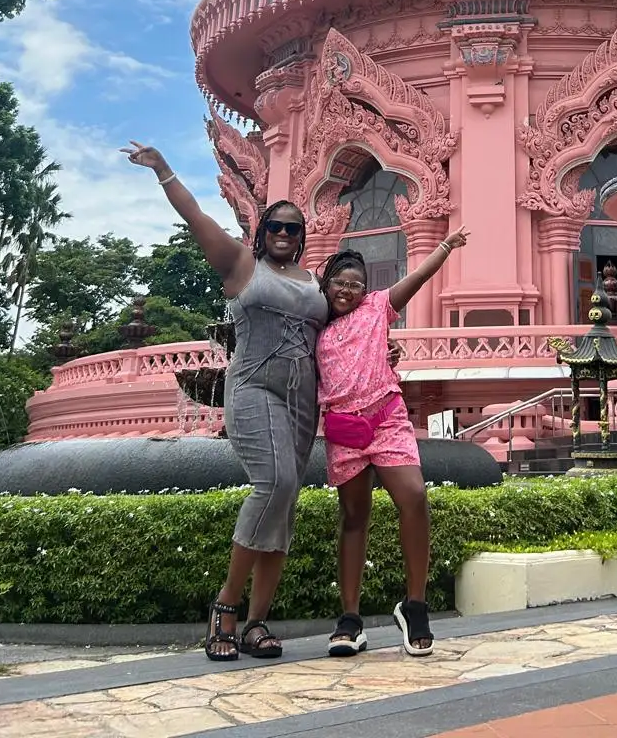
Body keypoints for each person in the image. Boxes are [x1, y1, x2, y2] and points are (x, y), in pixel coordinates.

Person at [123, 141, 326, 663]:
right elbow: (196, 217)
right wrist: (164, 168)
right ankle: (225, 607)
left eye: (293, 228)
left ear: (303, 238)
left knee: (285, 505)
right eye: (276, 226)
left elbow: (353, 317)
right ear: (262, 234)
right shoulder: (240, 264)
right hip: (254, 388)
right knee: (274, 483)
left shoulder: (313, 281)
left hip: (303, 400)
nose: (284, 234)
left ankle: (258, 621)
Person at [319, 228, 468, 659]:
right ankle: (349, 618)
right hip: (345, 428)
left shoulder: (376, 307)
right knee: (353, 518)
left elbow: (415, 280)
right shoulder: (313, 323)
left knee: (414, 496)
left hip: (386, 417)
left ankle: (415, 604)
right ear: (326, 285)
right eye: (340, 283)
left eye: (355, 284)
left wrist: (445, 246)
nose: (347, 291)